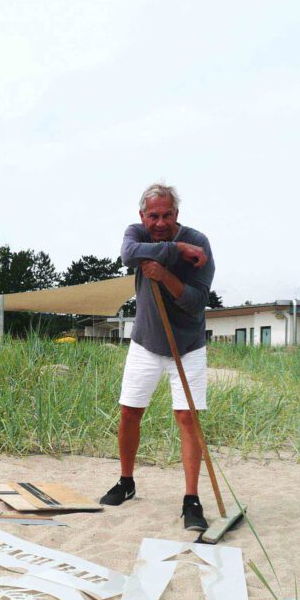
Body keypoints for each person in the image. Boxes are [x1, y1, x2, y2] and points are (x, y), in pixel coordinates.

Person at [100, 183, 216, 531]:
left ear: (177, 215)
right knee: (130, 412)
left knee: (187, 419)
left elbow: (196, 302)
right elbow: (128, 254)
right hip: (146, 342)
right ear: (143, 216)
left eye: (167, 215)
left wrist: (165, 274)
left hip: (188, 344)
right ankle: (126, 482)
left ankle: (191, 500)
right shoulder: (138, 233)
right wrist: (176, 249)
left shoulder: (202, 242)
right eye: (154, 215)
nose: (160, 221)